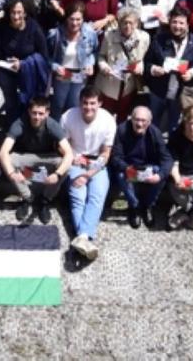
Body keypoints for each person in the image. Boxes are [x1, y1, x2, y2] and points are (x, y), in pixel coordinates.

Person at [60, 86, 115, 261]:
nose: (88, 107)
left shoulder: (107, 120)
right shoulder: (68, 116)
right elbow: (62, 145)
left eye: (93, 103)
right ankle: (85, 238)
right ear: (80, 102)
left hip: (97, 163)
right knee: (78, 196)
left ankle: (81, 239)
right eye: (85, 103)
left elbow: (106, 153)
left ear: (99, 103)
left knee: (97, 196)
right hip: (75, 160)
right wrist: (71, 158)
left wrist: (89, 173)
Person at [0, 96, 73, 224]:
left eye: (41, 113)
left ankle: (45, 200)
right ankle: (27, 197)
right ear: (29, 111)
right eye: (34, 113)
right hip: (26, 156)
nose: (37, 117)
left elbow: (69, 153)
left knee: (65, 165)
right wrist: (11, 173)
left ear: (47, 113)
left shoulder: (52, 125)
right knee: (8, 160)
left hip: (47, 157)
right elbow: (3, 151)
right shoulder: (19, 123)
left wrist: (57, 173)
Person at [143, 7, 193, 132]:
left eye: (181, 23)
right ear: (169, 22)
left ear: (188, 24)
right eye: (174, 22)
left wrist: (192, 73)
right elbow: (146, 63)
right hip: (158, 91)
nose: (177, 26)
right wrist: (153, 69)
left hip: (181, 93)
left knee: (175, 126)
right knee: (153, 123)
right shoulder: (159, 40)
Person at [46, 3, 99, 118]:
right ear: (66, 18)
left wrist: (90, 63)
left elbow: (94, 52)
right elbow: (45, 57)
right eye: (72, 19)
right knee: (58, 105)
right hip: (62, 75)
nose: (75, 23)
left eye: (78, 19)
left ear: (83, 19)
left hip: (80, 75)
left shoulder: (90, 34)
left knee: (74, 106)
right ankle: (56, 132)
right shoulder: (55, 34)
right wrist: (55, 67)